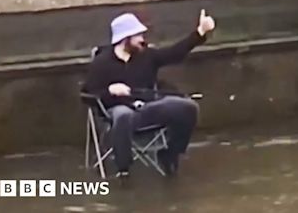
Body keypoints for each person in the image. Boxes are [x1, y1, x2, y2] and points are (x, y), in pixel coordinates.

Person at [83, 9, 215, 178]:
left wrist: (200, 33)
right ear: (126, 38)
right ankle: (123, 171)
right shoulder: (102, 63)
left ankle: (170, 153)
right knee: (123, 114)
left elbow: (174, 53)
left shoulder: (147, 55)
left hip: (149, 109)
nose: (142, 40)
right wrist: (109, 91)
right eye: (138, 36)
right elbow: (87, 94)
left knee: (188, 107)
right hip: (117, 113)